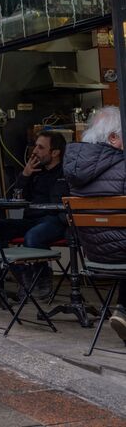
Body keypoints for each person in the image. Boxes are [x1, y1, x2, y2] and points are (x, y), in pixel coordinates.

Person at [63, 107, 126, 342]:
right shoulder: (122, 166)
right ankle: (123, 309)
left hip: (94, 255)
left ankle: (123, 309)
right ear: (112, 138)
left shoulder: (75, 172)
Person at [0, 131, 70, 299]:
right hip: (31, 220)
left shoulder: (66, 173)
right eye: (35, 145)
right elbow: (18, 196)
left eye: (40, 147)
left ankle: (42, 279)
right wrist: (25, 175)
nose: (34, 151)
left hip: (55, 220)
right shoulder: (35, 172)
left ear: (55, 152)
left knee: (33, 236)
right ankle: (22, 275)